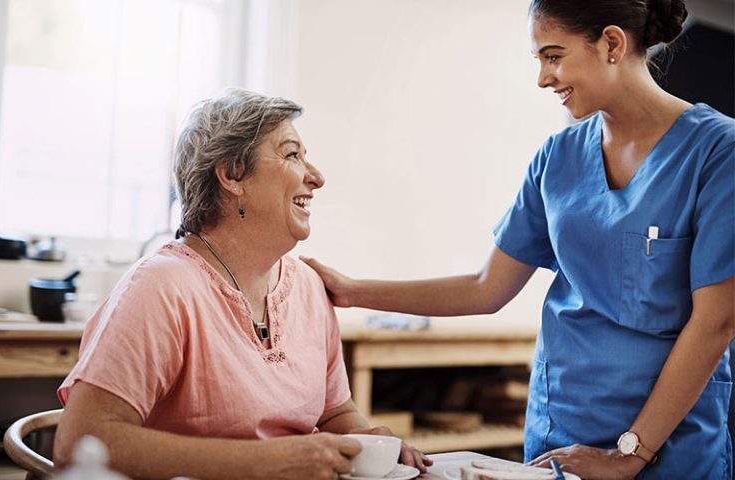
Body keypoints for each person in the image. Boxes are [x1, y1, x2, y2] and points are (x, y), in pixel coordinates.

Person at [302, 1, 735, 479]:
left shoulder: (718, 152)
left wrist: (630, 454)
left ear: (612, 43)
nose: (544, 79)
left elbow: (716, 321)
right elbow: (487, 287)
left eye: (553, 56)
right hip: (561, 430)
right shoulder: (558, 156)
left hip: (669, 444)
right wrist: (353, 290)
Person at [54, 88, 431, 480]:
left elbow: (334, 411)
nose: (316, 177)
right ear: (233, 174)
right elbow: (80, 444)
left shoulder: (308, 287)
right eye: (291, 154)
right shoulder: (161, 287)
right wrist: (268, 462)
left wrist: (368, 442)